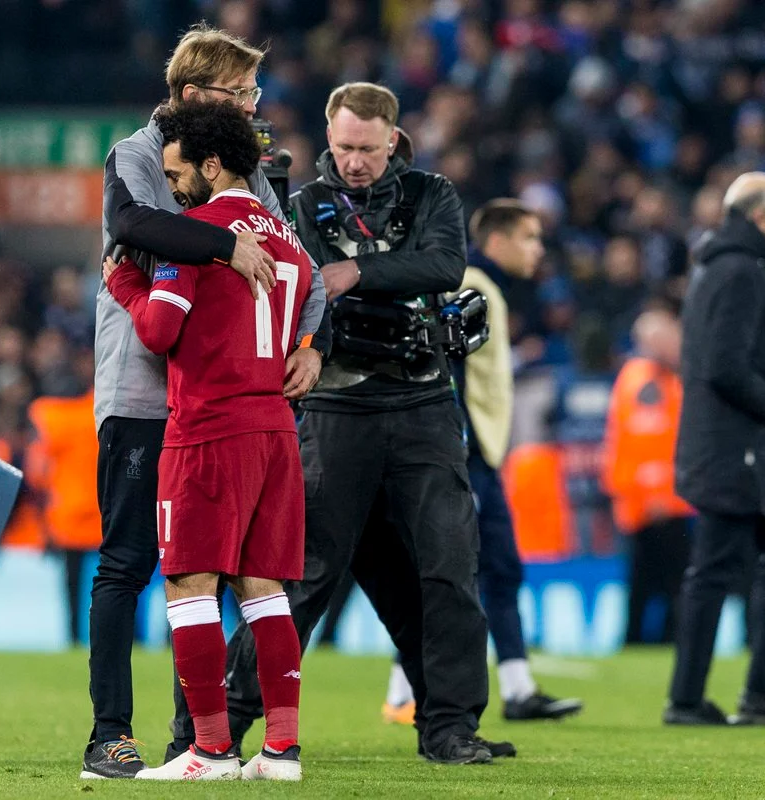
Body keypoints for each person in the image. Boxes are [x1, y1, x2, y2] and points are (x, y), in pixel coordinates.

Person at [224, 82, 512, 765]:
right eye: (345, 147)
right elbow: (290, 283)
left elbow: (446, 265)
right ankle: (220, 724)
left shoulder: (432, 194)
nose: (355, 162)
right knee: (304, 575)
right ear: (330, 137)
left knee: (448, 569)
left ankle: (449, 728)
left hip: (422, 405)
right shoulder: (297, 204)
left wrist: (355, 270)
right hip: (335, 408)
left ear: (393, 140)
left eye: (369, 149)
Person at [84, 23, 328, 779]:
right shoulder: (137, 155)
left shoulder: (230, 176)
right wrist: (221, 246)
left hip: (210, 405)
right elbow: (133, 224)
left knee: (196, 576)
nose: (253, 103)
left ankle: (200, 742)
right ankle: (111, 734)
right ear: (194, 94)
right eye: (239, 91)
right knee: (130, 565)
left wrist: (312, 343)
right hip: (145, 395)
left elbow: (297, 266)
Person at [665, 171, 765, 726]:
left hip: (756, 448)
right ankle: (687, 699)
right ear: (759, 217)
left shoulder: (745, 269)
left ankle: (763, 690)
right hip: (738, 448)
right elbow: (723, 364)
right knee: (716, 567)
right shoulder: (737, 272)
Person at [458, 200, 582, 719]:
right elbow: (451, 369)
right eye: (529, 238)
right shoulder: (472, 286)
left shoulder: (489, 287)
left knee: (498, 568)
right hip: (467, 453)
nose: (538, 250)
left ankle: (517, 688)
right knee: (453, 573)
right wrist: (460, 441)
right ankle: (406, 692)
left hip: (483, 454)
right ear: (498, 240)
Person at [601, 308, 695, 645]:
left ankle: (656, 639)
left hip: (670, 498)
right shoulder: (645, 382)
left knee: (663, 581)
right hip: (652, 502)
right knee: (654, 581)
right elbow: (644, 440)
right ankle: (641, 639)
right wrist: (654, 493)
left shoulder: (668, 378)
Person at [25, 370, 102, 645]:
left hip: (67, 516)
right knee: (116, 583)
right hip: (105, 514)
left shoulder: (48, 417)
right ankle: (120, 637)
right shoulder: (98, 412)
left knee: (72, 586)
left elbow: (37, 473)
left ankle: (73, 638)